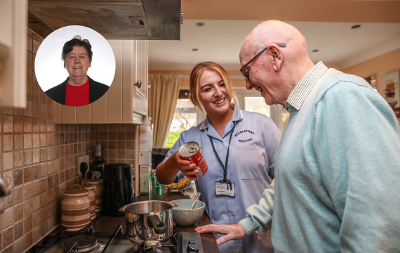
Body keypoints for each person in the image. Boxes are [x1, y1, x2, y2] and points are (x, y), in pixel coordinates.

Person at [195, 20, 400, 252]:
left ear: (274, 55)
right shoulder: (299, 110)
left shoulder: (341, 97)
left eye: (247, 71)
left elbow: (377, 226)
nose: (247, 84)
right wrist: (246, 225)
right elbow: (288, 182)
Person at [156, 62, 281, 253]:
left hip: (261, 238)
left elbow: (284, 180)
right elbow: (162, 178)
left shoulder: (262, 125)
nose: (218, 92)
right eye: (207, 88)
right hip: (217, 241)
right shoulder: (189, 138)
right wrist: (174, 162)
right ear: (195, 97)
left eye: (221, 84)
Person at [45, 35, 109, 106]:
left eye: (82, 56)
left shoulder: (106, 92)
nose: (77, 61)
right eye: (71, 57)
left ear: (89, 62)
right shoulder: (49, 95)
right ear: (64, 63)